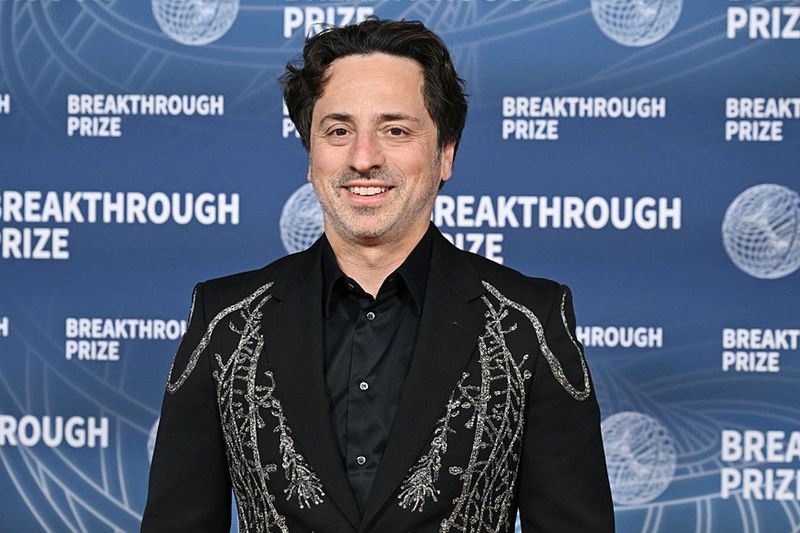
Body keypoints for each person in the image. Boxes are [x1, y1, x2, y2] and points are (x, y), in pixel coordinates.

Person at [142, 18, 614, 533]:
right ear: (311, 157)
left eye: (395, 130)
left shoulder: (529, 322)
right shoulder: (224, 321)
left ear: (445, 154)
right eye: (338, 131)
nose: (363, 158)